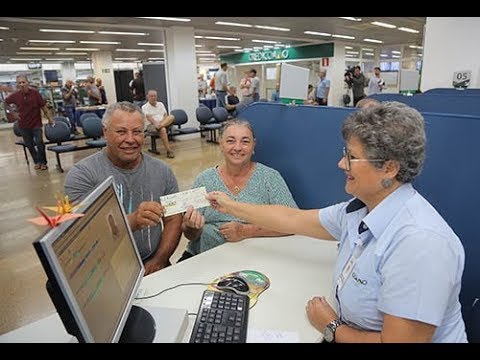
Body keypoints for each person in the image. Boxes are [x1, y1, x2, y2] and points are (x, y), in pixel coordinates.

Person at [206, 102, 467, 343]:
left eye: (352, 157)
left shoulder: (420, 244)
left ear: (389, 168)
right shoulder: (359, 211)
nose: (341, 163)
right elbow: (291, 218)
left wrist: (332, 326)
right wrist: (229, 204)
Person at [64, 101, 183, 275]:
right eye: (121, 132)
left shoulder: (163, 171)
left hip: (154, 263)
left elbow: (174, 219)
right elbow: (81, 234)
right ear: (105, 132)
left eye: (137, 132)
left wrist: (158, 261)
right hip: (104, 269)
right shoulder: (83, 175)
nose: (130, 139)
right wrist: (131, 222)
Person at [179, 119, 298, 260]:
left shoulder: (269, 178)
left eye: (245, 141)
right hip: (205, 257)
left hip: (255, 258)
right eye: (230, 141)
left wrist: (246, 231)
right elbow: (191, 236)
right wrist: (191, 227)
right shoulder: (204, 180)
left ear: (254, 146)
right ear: (221, 144)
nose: (237, 147)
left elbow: (293, 223)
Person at [5, 74, 54, 170]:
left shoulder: (35, 93)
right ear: (17, 84)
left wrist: (50, 119)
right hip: (23, 124)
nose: (22, 84)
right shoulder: (15, 95)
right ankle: (37, 161)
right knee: (30, 144)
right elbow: (5, 103)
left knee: (40, 143)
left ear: (27, 83)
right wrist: (13, 113)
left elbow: (43, 106)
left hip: (36, 123)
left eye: (23, 82)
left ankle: (43, 162)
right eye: (19, 83)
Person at [142, 90, 175, 159]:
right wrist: (157, 124)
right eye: (151, 96)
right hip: (151, 125)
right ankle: (169, 151)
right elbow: (149, 117)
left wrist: (161, 124)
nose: (153, 97)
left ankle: (161, 126)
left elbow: (165, 115)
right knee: (162, 130)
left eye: (155, 96)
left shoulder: (160, 104)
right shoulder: (144, 107)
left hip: (162, 123)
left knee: (171, 117)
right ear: (148, 97)